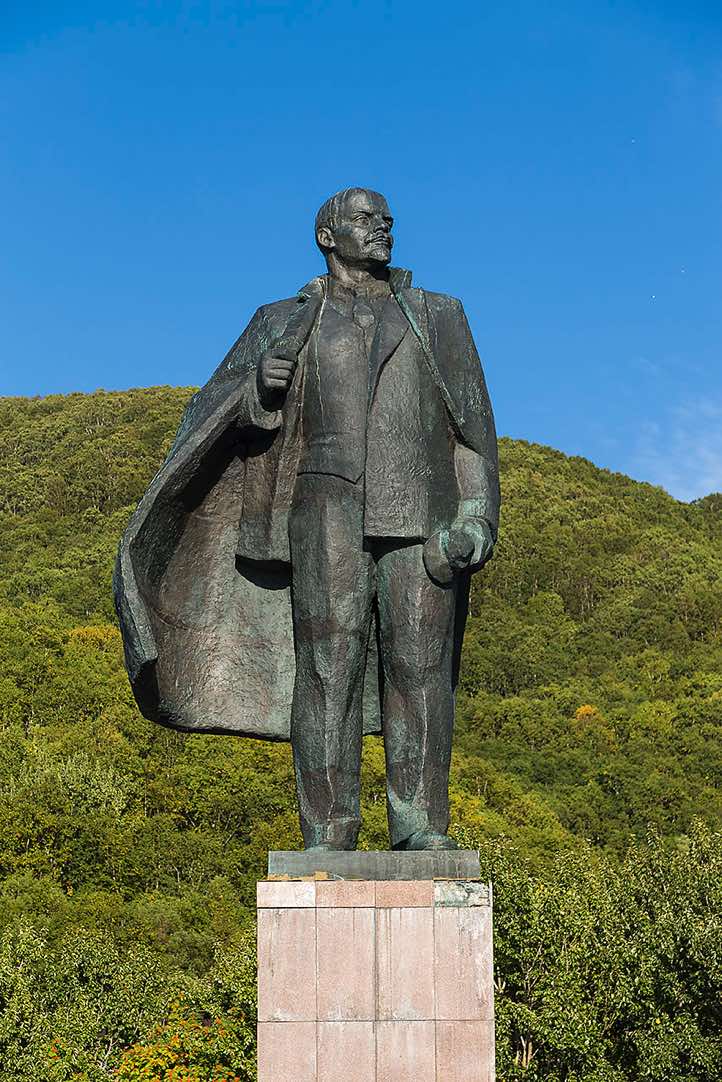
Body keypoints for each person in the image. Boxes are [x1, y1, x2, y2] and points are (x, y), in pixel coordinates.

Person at [114, 187, 500, 853]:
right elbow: (206, 413)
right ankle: (327, 832)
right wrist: (256, 390)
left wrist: (477, 518)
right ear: (328, 235)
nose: (383, 226)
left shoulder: (440, 316)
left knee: (421, 671)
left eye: (386, 219)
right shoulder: (281, 319)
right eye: (364, 218)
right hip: (321, 514)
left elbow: (473, 433)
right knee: (326, 669)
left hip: (421, 515)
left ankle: (420, 827)